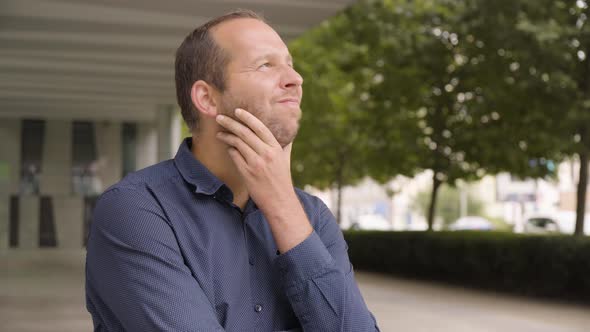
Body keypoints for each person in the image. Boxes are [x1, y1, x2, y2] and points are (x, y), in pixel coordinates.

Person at [85, 10, 380, 332]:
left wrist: (281, 205)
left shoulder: (312, 217)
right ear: (207, 98)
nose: (295, 79)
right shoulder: (135, 210)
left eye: (290, 64)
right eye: (266, 65)